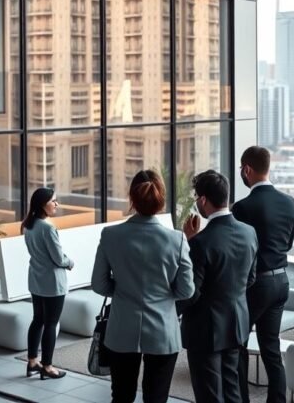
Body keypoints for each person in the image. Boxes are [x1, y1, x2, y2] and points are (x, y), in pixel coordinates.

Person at [92, 169, 194, 403]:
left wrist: (121, 291)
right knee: (156, 398)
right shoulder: (177, 239)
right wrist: (165, 293)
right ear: (161, 200)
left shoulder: (110, 235)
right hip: (162, 331)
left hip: (122, 328)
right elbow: (186, 290)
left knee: (121, 396)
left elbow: (99, 283)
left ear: (132, 198)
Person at [179, 170, 258, 403]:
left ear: (203, 200)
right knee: (232, 390)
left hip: (205, 330)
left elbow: (191, 292)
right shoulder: (249, 232)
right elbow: (251, 278)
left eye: (197, 197)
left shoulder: (201, 242)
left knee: (209, 394)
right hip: (237, 323)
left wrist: (188, 242)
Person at [232, 146, 294, 403]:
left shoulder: (242, 207)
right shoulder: (289, 202)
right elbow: (288, 244)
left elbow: (239, 251)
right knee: (271, 347)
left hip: (255, 285)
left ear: (247, 169)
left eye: (241, 169)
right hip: (281, 281)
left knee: (237, 343)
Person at [22, 187, 73, 380]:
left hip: (36, 280)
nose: (56, 204)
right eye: (53, 201)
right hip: (52, 283)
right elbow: (58, 258)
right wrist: (70, 262)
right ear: (43, 205)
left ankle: (32, 362)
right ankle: (48, 366)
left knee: (38, 320)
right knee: (51, 323)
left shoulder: (28, 225)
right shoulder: (48, 228)